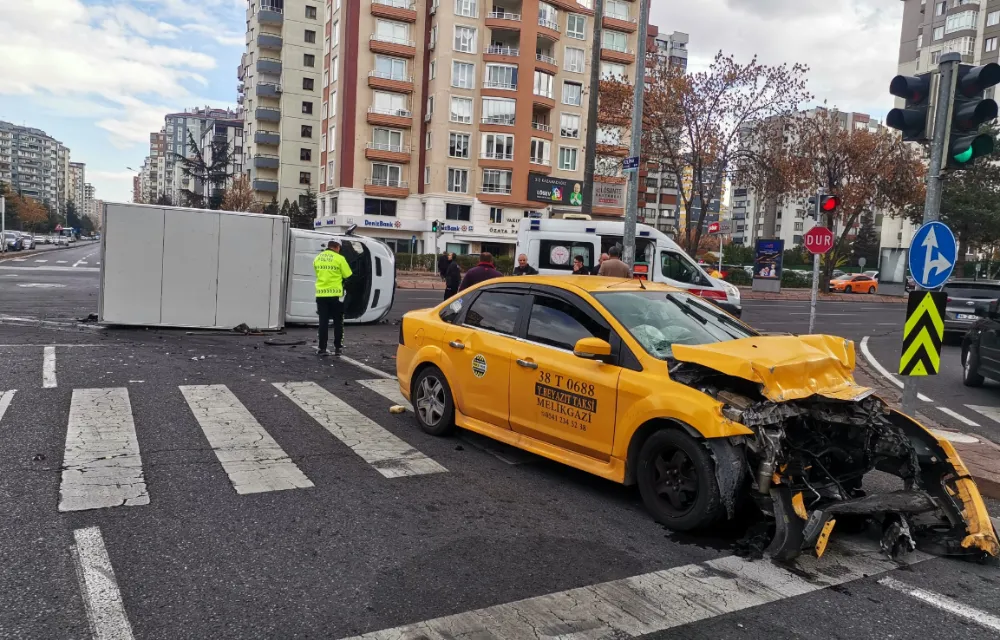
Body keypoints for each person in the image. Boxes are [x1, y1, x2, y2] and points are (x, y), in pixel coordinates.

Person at [313, 240, 353, 356]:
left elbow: (318, 273)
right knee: (338, 322)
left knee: (323, 322)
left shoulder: (318, 258)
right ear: (337, 247)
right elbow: (348, 275)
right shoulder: (339, 259)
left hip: (321, 295)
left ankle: (322, 348)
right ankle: (338, 348)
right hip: (336, 296)